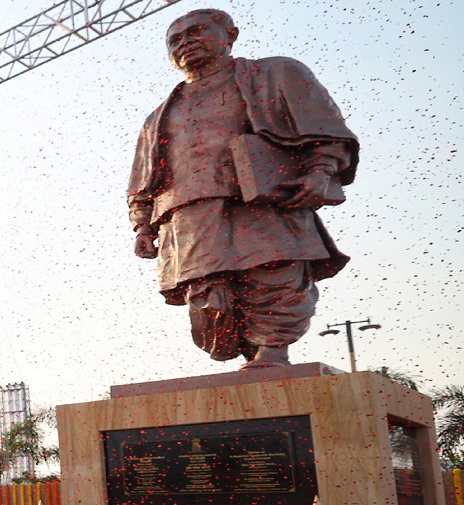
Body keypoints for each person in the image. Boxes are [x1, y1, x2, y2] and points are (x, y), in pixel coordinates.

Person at [127, 8, 358, 370]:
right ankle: (252, 359)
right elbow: (144, 179)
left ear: (230, 35)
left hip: (264, 199)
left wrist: (320, 171)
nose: (185, 42)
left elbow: (324, 127)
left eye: (197, 32)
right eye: (175, 40)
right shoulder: (157, 116)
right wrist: (142, 226)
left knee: (275, 278)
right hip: (189, 215)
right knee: (211, 307)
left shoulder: (275, 73)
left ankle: (272, 354)